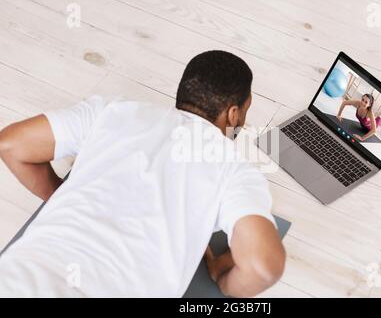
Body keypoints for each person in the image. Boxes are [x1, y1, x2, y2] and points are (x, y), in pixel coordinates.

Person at [0, 50, 285, 297]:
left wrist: (61, 195)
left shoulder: (111, 110)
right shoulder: (235, 167)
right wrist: (223, 279)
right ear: (234, 114)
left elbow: (11, 145)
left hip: (18, 277)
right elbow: (262, 266)